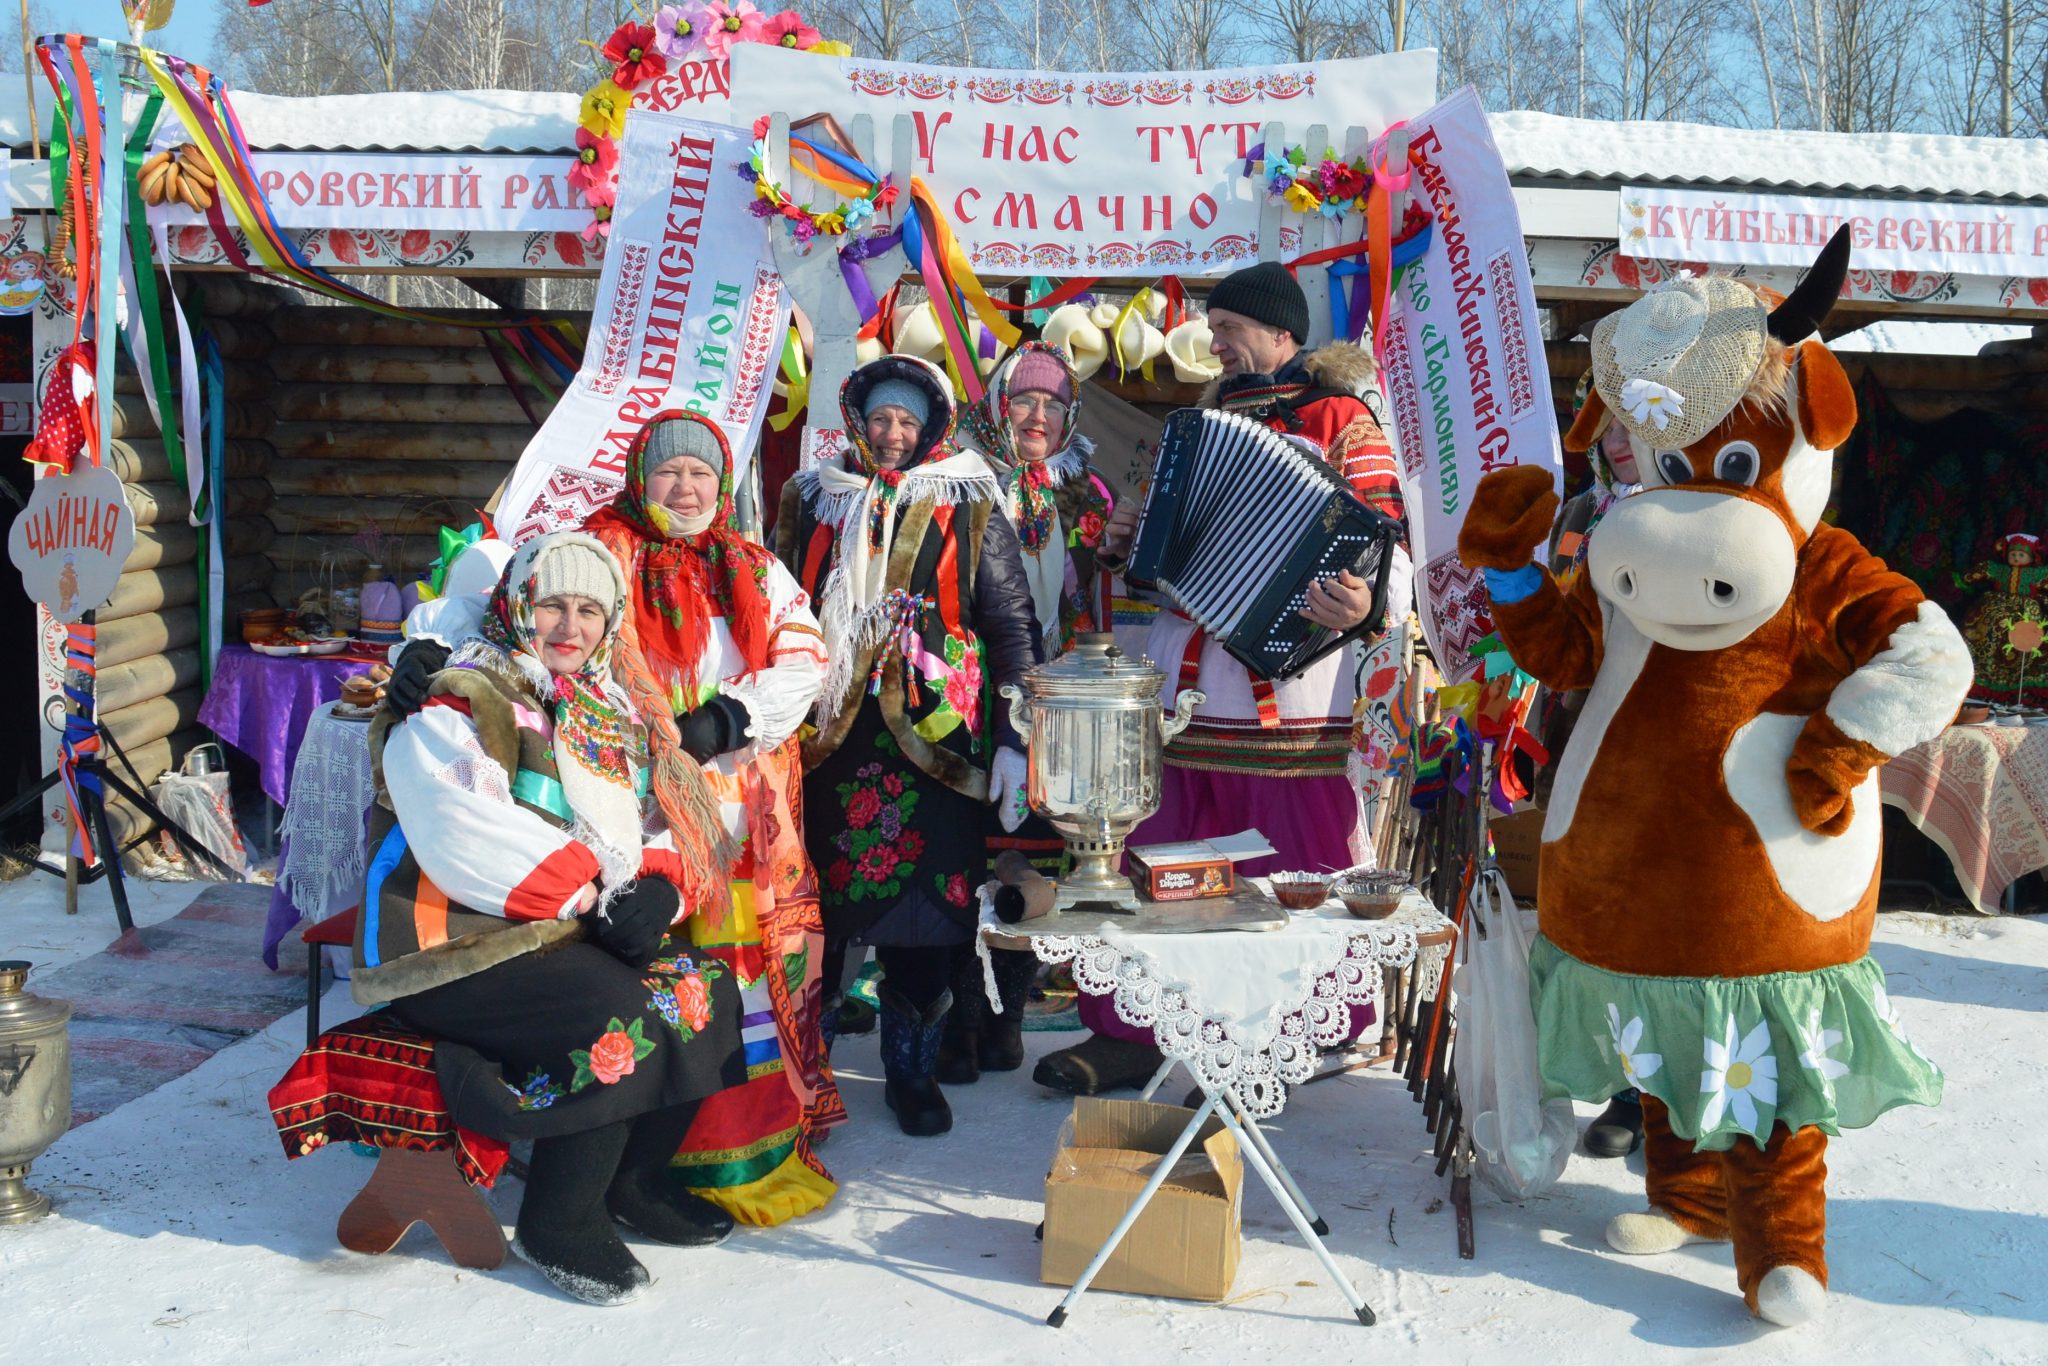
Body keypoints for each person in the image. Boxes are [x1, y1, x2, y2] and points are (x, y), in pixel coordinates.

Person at [387, 412, 842, 1226]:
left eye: (703, 475)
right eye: (670, 473)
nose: (687, 488)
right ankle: (600, 1169)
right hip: (605, 782)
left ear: (724, 485)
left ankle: (729, 1157)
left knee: (737, 979)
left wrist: (728, 720)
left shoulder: (754, 565)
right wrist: (418, 650)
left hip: (724, 803)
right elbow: (504, 600)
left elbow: (805, 657)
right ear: (641, 477)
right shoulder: (598, 548)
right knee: (646, 971)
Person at [1035, 261, 1412, 1096]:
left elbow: (1386, 544)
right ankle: (1140, 1029)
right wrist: (1127, 540)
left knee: (1288, 860)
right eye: (1214, 329)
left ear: (1283, 334)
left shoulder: (1344, 419)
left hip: (1294, 684)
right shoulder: (1198, 424)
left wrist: (1362, 604)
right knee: (1167, 854)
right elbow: (1159, 559)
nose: (1217, 342)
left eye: (1231, 328)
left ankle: (1293, 1026)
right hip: (1189, 676)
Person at [353, 532, 747, 1306]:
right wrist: (598, 897)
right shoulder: (462, 693)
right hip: (454, 943)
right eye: (551, 606)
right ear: (514, 607)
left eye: (589, 611)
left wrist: (659, 887)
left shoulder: (606, 705)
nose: (569, 627)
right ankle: (557, 1220)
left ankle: (632, 1183)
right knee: (617, 1015)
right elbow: (460, 826)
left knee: (705, 989)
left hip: (562, 930)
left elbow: (651, 816)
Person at [774, 354, 1042, 1137]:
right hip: (830, 742)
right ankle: (802, 1073)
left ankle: (912, 1073)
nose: (892, 435)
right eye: (881, 419)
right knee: (819, 911)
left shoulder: (971, 499)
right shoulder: (812, 496)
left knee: (929, 914)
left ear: (931, 428)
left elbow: (1010, 624)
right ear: (858, 419)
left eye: (907, 422)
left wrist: (1015, 736)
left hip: (936, 743)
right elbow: (775, 601)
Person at [947, 341, 1121, 1082]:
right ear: (995, 404)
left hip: (1054, 703)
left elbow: (1098, 590)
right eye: (1024, 399)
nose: (1039, 415)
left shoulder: (1082, 493)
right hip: (966, 694)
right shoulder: (954, 480)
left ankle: (1008, 1020)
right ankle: (959, 1019)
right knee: (961, 855)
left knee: (1035, 858)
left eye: (1054, 403)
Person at [1541, 373, 1646, 1159]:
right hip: (1592, 738)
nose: (1615, 439)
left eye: (1632, 423)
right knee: (1609, 920)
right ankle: (1627, 1088)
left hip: (1685, 750)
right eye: (1603, 423)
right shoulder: (1581, 514)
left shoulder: (1713, 512)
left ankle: (1683, 1099)